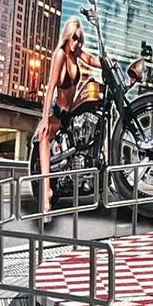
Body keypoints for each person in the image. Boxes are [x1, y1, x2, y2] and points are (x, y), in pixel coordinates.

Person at [35, 18, 98, 210]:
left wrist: (108, 63)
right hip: (58, 113)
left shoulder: (76, 53)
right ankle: (47, 192)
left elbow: (91, 60)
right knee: (43, 137)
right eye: (74, 38)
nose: (77, 43)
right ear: (68, 36)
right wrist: (45, 119)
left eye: (80, 40)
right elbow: (50, 88)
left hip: (71, 115)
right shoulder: (60, 54)